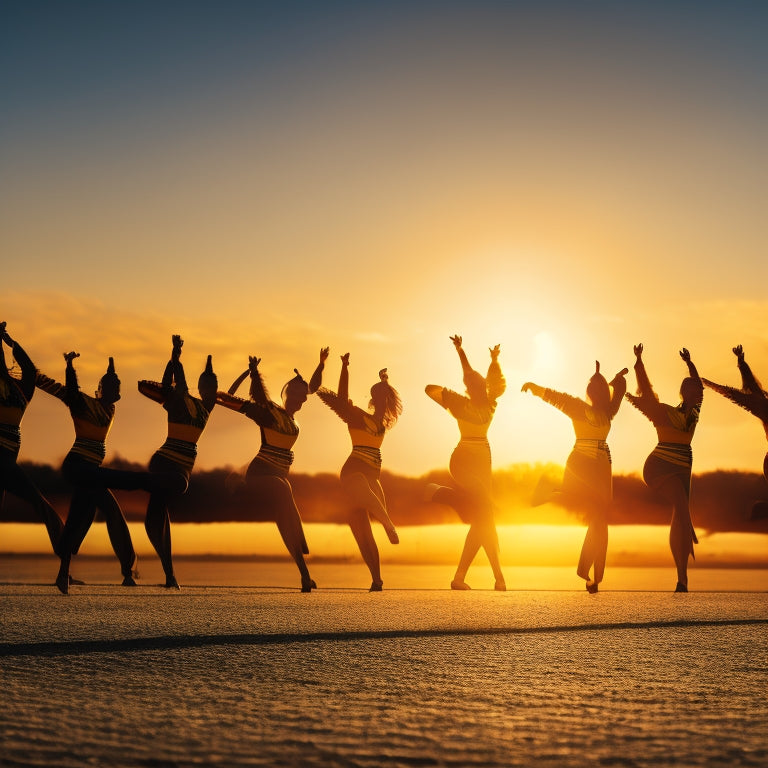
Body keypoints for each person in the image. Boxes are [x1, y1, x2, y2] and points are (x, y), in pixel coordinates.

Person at [215, 348, 328, 592]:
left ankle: (304, 574)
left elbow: (314, 387)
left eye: (303, 399)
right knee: (283, 489)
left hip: (279, 478)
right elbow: (238, 399)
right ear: (289, 395)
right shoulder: (270, 413)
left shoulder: (293, 420)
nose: (302, 401)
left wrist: (321, 364)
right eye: (298, 397)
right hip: (262, 475)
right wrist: (253, 375)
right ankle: (242, 487)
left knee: (284, 518)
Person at [36, 351, 148, 593]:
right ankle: (128, 572)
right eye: (113, 385)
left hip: (90, 473)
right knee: (109, 507)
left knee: (81, 516)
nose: (118, 388)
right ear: (103, 389)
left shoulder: (110, 409)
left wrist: (111, 366)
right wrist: (69, 367)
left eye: (118, 384)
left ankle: (63, 574)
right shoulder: (84, 403)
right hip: (78, 466)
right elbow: (69, 392)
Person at [522, 361, 627, 593]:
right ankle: (550, 491)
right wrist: (536, 388)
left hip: (600, 466)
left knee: (599, 520)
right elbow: (556, 397)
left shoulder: (604, 409)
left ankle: (593, 576)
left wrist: (614, 378)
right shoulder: (603, 410)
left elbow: (617, 390)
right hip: (583, 463)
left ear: (590, 392)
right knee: (593, 514)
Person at [425, 336, 506, 591]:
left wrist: (493, 360)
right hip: (463, 460)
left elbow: (491, 381)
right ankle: (448, 495)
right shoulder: (463, 404)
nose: (481, 385)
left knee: (484, 521)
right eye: (475, 384)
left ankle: (468, 578)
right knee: (485, 511)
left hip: (483, 461)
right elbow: (431, 389)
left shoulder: (490, 403)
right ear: (473, 388)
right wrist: (460, 353)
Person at [317, 353, 402, 591]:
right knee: (363, 515)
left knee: (364, 532)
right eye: (378, 397)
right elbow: (342, 399)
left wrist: (385, 382)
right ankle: (387, 522)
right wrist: (344, 368)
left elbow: (384, 397)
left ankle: (376, 579)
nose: (383, 401)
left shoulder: (382, 424)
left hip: (373, 476)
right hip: (353, 473)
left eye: (386, 398)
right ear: (373, 400)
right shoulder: (357, 416)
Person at [138, 335, 217, 589]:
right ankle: (169, 573)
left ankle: (169, 572)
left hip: (181, 470)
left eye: (213, 387)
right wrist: (175, 357)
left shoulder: (205, 408)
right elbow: (170, 384)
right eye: (208, 386)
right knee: (156, 517)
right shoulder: (180, 401)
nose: (211, 391)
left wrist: (177, 358)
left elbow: (182, 386)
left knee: (156, 518)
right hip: (164, 462)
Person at [626, 344, 703, 592]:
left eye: (697, 390)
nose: (696, 392)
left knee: (678, 516)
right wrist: (639, 362)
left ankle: (682, 579)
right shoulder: (662, 413)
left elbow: (699, 384)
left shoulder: (694, 413)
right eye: (691, 389)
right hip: (659, 466)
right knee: (682, 509)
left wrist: (690, 365)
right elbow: (646, 392)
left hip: (683, 466)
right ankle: (689, 530)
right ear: (683, 392)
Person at [0, 322, 63, 551]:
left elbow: (29, 370)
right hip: (3, 460)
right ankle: (64, 558)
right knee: (40, 503)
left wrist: (10, 342)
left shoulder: (21, 389)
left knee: (40, 504)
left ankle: (64, 563)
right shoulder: (20, 388)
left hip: (8, 458)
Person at [702, 345, 768, 519]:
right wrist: (742, 363)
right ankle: (760, 511)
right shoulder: (765, 406)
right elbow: (752, 389)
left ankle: (761, 510)